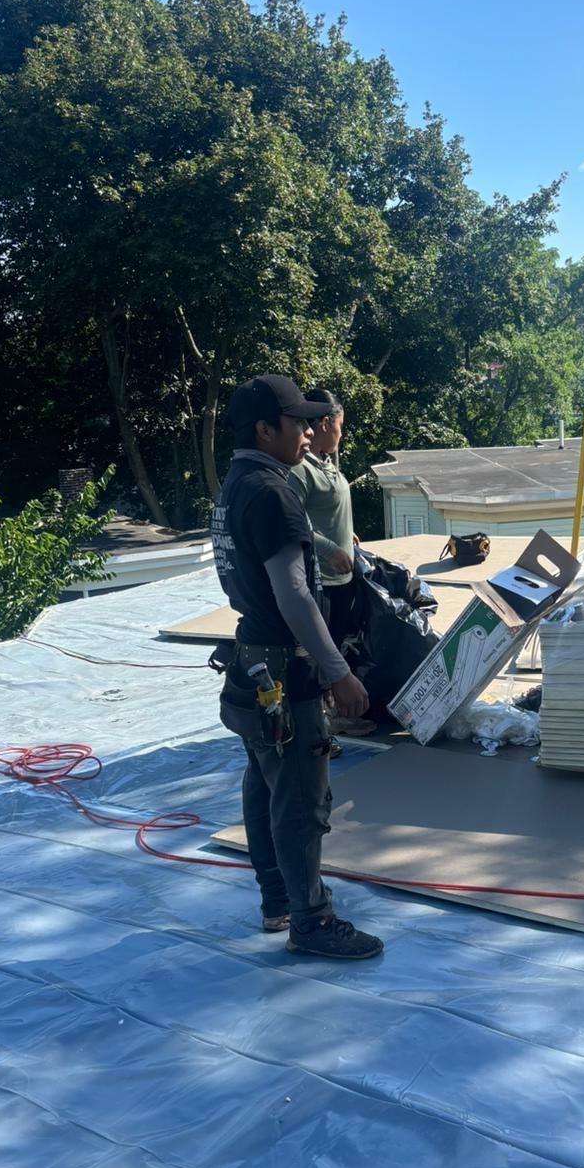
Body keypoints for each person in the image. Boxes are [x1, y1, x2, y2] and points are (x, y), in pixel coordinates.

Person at [211, 374, 383, 961]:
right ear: (264, 429)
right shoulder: (274, 494)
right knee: (303, 798)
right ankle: (311, 920)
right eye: (297, 424)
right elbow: (295, 595)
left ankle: (277, 900)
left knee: (264, 782)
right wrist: (337, 671)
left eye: (313, 421)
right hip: (285, 665)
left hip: (252, 659)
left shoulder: (235, 485)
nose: (309, 433)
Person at [287, 389, 360, 654]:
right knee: (323, 658)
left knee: (342, 649)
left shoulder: (325, 463)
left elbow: (324, 511)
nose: (341, 434)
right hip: (322, 586)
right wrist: (329, 549)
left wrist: (346, 532)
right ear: (325, 424)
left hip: (343, 580)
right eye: (340, 426)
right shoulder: (300, 469)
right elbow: (291, 522)